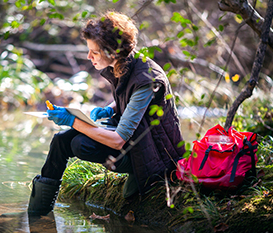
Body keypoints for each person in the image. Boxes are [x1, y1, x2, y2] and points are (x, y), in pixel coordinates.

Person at [27, 11, 186, 216]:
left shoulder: (147, 79)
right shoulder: (126, 62)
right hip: (136, 138)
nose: (88, 57)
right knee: (61, 140)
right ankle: (37, 213)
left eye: (94, 52)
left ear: (112, 51)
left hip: (153, 153)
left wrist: (73, 120)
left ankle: (138, 174)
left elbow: (118, 140)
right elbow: (129, 98)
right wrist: (109, 108)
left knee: (80, 144)